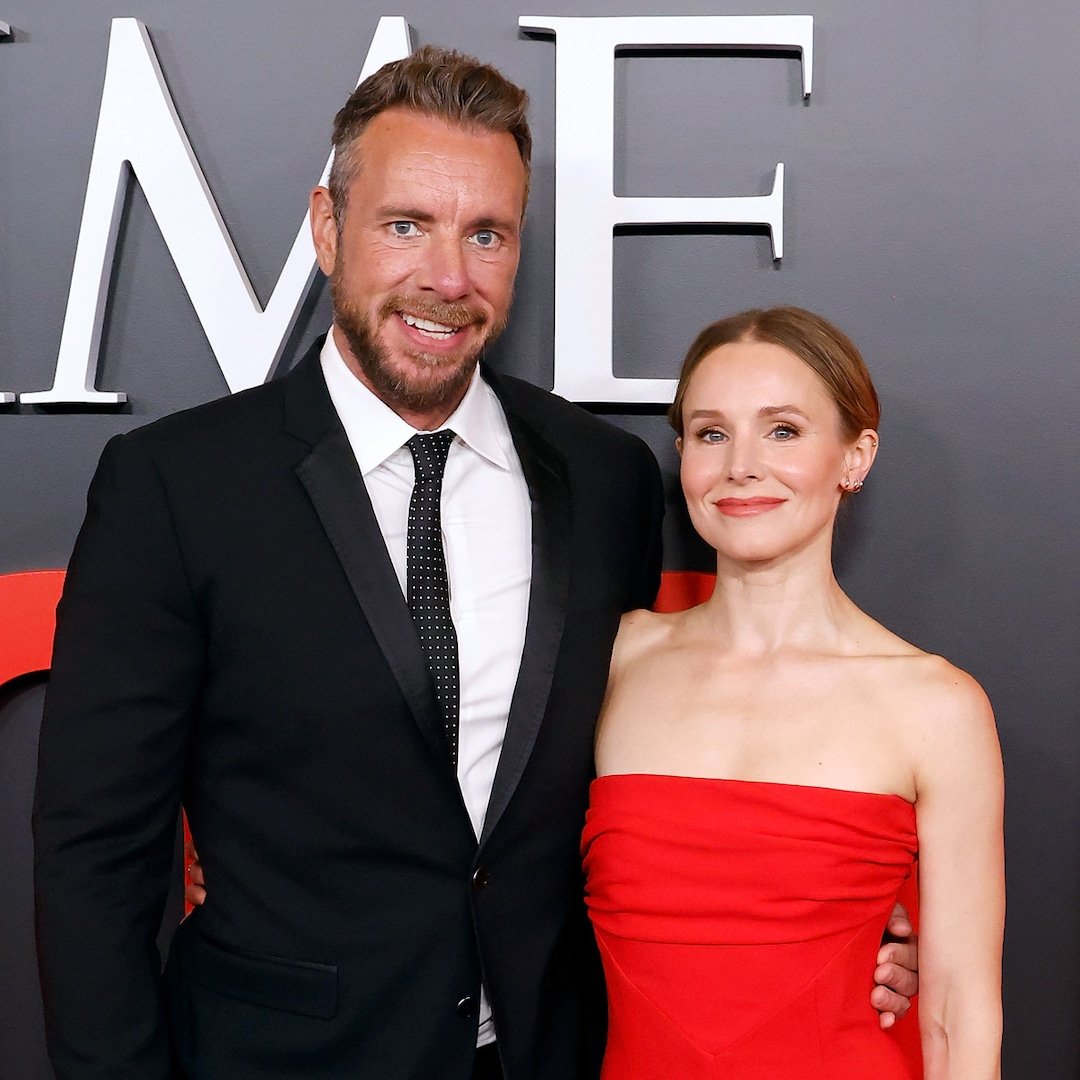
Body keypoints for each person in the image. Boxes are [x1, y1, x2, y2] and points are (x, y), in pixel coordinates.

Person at [32, 46, 916, 1080]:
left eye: (486, 234)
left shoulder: (606, 479)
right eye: (406, 225)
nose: (448, 278)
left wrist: (852, 922)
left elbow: (651, 773)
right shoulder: (178, 485)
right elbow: (92, 849)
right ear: (328, 228)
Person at [584, 307, 1003, 1079]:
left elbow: (957, 1014)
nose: (741, 465)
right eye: (712, 433)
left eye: (782, 430)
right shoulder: (614, 659)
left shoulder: (935, 706)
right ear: (682, 457)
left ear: (855, 456)